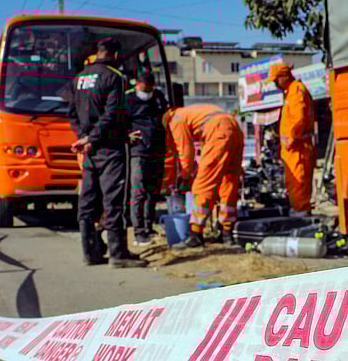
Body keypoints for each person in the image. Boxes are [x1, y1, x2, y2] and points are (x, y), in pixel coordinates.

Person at [69, 37, 146, 268]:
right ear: (114, 55)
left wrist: (83, 138)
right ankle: (117, 255)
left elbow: (71, 113)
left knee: (87, 200)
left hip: (89, 151)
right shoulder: (114, 77)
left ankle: (89, 253)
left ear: (97, 53)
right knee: (113, 201)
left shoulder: (79, 79)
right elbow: (112, 114)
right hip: (109, 149)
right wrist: (92, 138)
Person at [163, 105, 244, 249]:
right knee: (229, 183)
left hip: (218, 132)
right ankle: (227, 233)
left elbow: (185, 151)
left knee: (203, 184)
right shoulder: (192, 112)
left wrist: (185, 176)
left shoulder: (175, 120)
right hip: (234, 128)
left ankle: (195, 234)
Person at [267, 64, 316, 216]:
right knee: (294, 180)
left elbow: (299, 118)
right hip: (294, 147)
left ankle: (301, 210)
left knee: (298, 180)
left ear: (285, 77)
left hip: (297, 147)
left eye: (276, 80)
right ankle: (299, 208)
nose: (275, 84)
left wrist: (291, 138)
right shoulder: (291, 92)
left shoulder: (295, 91)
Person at [126, 72, 168, 246]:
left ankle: (148, 226)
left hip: (157, 150)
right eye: (144, 89)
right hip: (138, 151)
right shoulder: (127, 100)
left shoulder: (158, 97)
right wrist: (126, 135)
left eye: (150, 89)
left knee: (153, 192)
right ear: (137, 85)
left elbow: (166, 116)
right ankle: (138, 232)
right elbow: (116, 121)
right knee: (138, 191)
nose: (147, 92)